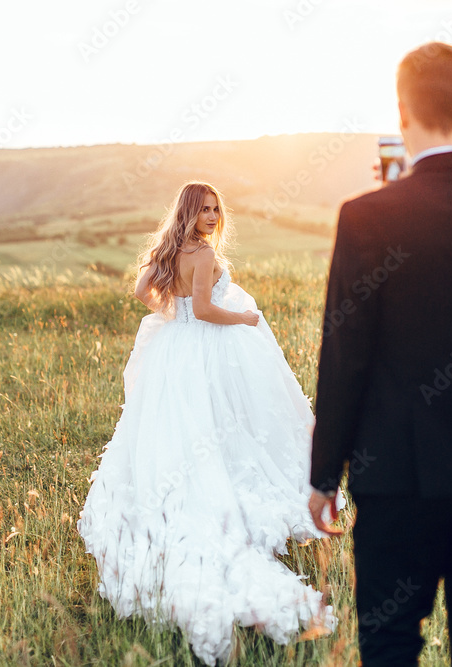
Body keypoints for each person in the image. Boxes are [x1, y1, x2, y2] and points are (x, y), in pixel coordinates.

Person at [308, 43, 452, 666]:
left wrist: (323, 473)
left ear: (402, 110)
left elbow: (346, 353)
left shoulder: (366, 216)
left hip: (397, 470)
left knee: (390, 642)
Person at [78, 181, 336, 666]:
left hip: (176, 349)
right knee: (221, 427)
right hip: (205, 347)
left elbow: (142, 291)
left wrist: (170, 317)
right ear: (189, 213)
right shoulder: (197, 255)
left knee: (187, 432)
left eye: (217, 209)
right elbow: (202, 308)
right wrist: (242, 320)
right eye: (205, 210)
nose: (214, 217)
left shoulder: (170, 249)